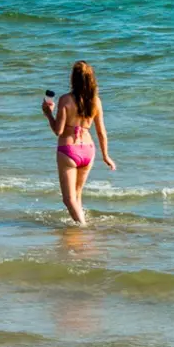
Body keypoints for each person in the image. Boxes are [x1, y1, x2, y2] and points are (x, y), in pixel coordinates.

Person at [41, 60, 115, 225]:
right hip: (88, 150)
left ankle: (83, 228)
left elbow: (58, 131)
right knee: (77, 194)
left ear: (73, 79)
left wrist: (48, 114)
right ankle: (78, 233)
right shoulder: (96, 101)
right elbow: (101, 132)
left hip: (69, 149)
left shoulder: (65, 100)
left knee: (68, 199)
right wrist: (106, 156)